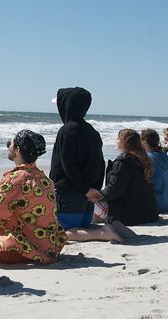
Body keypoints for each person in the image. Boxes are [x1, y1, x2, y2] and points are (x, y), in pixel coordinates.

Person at [49, 87, 133, 243]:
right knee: (83, 226)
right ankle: (111, 228)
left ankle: (102, 232)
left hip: (70, 194)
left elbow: (68, 166)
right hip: (87, 195)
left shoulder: (67, 131)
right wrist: (93, 190)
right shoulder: (92, 131)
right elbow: (99, 164)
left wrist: (86, 189)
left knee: (58, 233)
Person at [0, 130, 67, 264]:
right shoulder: (44, 179)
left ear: (17, 150)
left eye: (9, 144)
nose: (8, 148)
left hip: (19, 250)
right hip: (47, 248)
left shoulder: (14, 179)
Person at [91, 129, 159, 226]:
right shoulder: (142, 160)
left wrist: (93, 194)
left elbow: (113, 192)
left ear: (125, 143)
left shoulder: (123, 163)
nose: (116, 141)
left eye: (118, 139)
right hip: (148, 213)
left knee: (89, 201)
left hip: (130, 214)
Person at [141, 128, 168, 213]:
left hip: (157, 204)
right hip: (167, 203)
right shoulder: (162, 156)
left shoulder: (150, 159)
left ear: (144, 143)